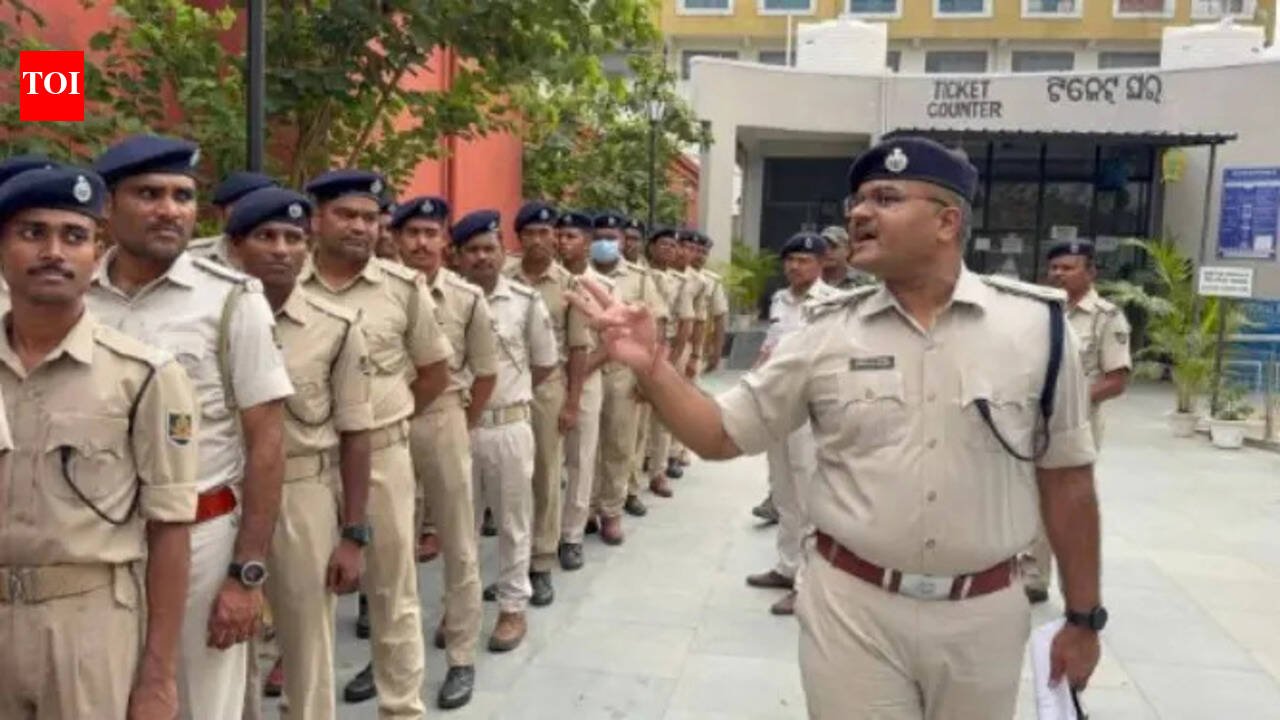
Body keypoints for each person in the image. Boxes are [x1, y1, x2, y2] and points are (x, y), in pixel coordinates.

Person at [569, 136, 1104, 719]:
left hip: (984, 614)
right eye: (858, 201)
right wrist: (653, 367)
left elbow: (1069, 482)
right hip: (853, 609)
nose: (859, 214)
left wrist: (1083, 618)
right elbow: (721, 434)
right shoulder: (824, 331)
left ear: (947, 221)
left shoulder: (1037, 329)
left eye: (886, 198)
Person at [87, 135, 294, 720]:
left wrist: (246, 574)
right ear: (108, 206)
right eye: (149, 194)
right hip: (96, 546)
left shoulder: (231, 301)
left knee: (200, 706)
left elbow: (267, 441)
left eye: (182, 196)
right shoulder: (75, 297)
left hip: (201, 539)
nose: (169, 210)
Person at [0, 164, 199, 719]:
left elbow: (170, 528)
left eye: (74, 236)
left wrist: (158, 675)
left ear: (96, 253)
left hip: (87, 622)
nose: (54, 252)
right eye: (33, 233)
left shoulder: (144, 376)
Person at [298, 169, 452, 717]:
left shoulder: (401, 289)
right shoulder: (284, 285)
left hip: (384, 454)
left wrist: (385, 418)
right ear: (317, 220)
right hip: (307, 462)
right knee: (304, 598)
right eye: (346, 215)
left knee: (393, 590)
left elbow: (434, 373)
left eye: (370, 217)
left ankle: (401, 706)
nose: (361, 227)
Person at [223, 187, 375, 720]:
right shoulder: (209, 321)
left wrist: (353, 534)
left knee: (308, 643)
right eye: (266, 236)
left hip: (302, 493)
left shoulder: (337, 327)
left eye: (293, 238)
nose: (282, 249)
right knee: (226, 647)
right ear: (235, 246)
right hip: (225, 495)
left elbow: (357, 432)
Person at [394, 195, 497, 710]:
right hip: (386, 424)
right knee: (391, 545)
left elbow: (486, 373)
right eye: (412, 233)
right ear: (397, 240)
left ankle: (460, 655)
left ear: (445, 244)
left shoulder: (466, 299)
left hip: (443, 418)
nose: (421, 242)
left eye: (430, 233)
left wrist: (461, 423)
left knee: (458, 542)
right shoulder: (378, 291)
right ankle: (391, 653)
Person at [454, 209, 558, 652]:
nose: (481, 257)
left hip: (508, 427)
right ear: (458, 256)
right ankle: (461, 609)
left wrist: (509, 395)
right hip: (456, 430)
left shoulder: (525, 301)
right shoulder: (443, 299)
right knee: (460, 527)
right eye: (472, 250)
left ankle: (513, 608)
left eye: (488, 248)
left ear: (501, 252)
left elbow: (544, 363)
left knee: (514, 523)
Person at [1024, 239, 1132, 603]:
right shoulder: (1040, 311)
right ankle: (1030, 572)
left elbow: (1116, 380)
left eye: (1068, 268)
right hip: (1032, 420)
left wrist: (1066, 402)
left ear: (1090, 272)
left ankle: (1055, 584)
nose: (1058, 274)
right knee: (1027, 493)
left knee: (1063, 496)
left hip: (1077, 424)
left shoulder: (1106, 317)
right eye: (1054, 268)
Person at [745, 231, 839, 617]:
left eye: (804, 260)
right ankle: (786, 567)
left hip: (808, 406)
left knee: (806, 492)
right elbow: (771, 346)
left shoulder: (832, 303)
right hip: (776, 404)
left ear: (821, 264)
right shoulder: (780, 300)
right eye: (791, 260)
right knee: (782, 490)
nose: (795, 267)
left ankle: (805, 583)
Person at [502, 200, 591, 607]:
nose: (538, 240)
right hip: (505, 387)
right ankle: (511, 566)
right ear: (519, 238)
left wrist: (572, 403)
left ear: (554, 237)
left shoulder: (569, 285)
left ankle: (540, 563)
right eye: (530, 233)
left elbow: (578, 348)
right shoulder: (501, 278)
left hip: (547, 389)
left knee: (545, 475)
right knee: (507, 480)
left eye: (545, 233)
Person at [585, 211, 666, 537]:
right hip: (586, 366)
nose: (604, 243)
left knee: (619, 442)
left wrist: (649, 378)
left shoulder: (639, 278)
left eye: (611, 238)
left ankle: (611, 510)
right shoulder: (578, 274)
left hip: (623, 370)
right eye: (599, 237)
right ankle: (586, 508)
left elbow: (656, 327)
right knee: (584, 447)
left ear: (621, 241)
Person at [554, 210, 614, 564]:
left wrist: (577, 375)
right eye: (559, 235)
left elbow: (611, 344)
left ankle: (572, 535)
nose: (563, 242)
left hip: (587, 379)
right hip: (546, 380)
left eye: (571, 236)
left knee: (580, 458)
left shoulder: (603, 287)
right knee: (547, 461)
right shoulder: (547, 282)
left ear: (587, 242)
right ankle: (544, 531)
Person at [641, 226, 695, 498]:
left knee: (663, 413)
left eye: (673, 246)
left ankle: (658, 471)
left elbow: (686, 321)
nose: (668, 250)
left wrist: (672, 360)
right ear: (651, 247)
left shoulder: (681, 282)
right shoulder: (638, 276)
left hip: (669, 348)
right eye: (663, 244)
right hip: (638, 349)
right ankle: (637, 467)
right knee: (637, 415)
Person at [189, 170, 279, 266]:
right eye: (246, 208)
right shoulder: (192, 256)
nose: (258, 215)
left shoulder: (285, 257)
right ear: (220, 213)